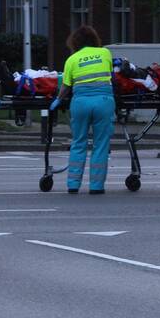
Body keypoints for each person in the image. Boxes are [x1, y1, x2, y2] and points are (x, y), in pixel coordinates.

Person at [51, 26, 115, 194]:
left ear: (74, 42)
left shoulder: (72, 59)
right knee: (100, 144)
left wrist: (57, 100)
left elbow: (66, 86)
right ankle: (96, 186)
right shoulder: (105, 53)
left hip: (80, 103)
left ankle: (73, 184)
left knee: (78, 142)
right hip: (103, 102)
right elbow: (109, 74)